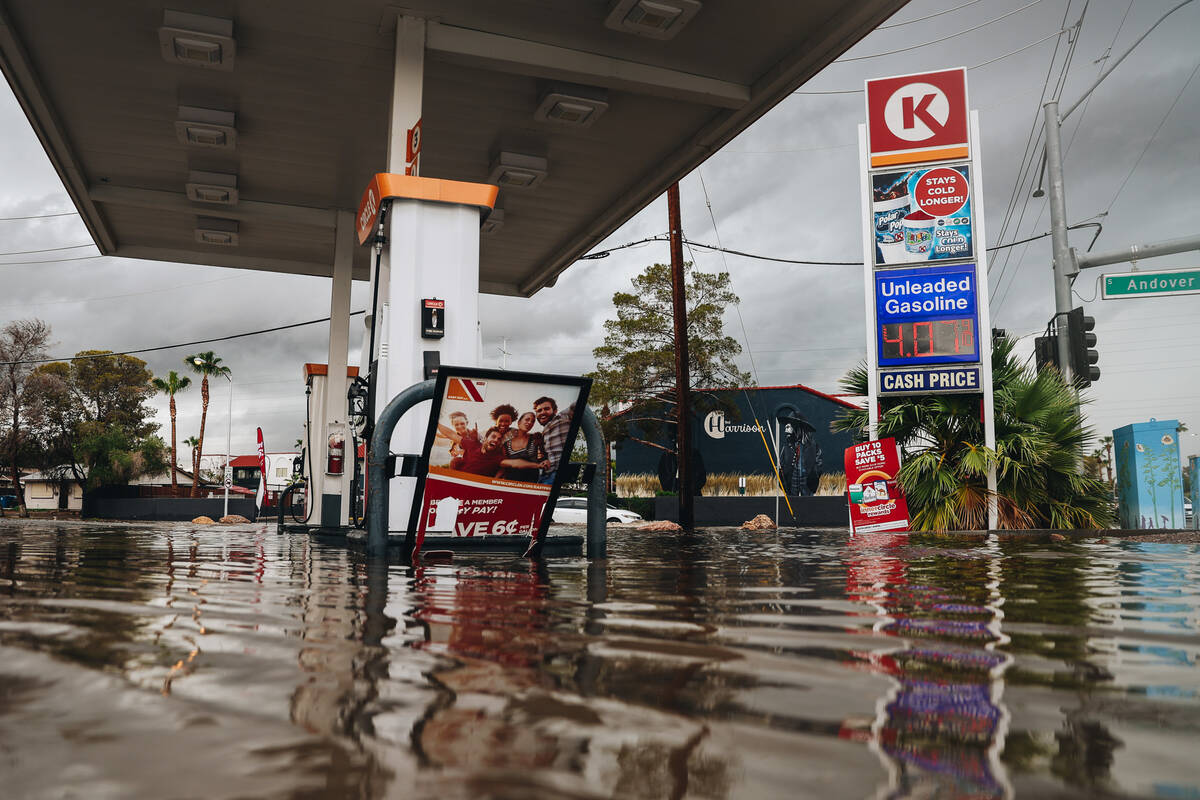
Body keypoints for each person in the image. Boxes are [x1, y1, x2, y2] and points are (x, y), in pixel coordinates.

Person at [534, 396, 572, 485]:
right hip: (544, 475)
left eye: (546, 409)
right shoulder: (544, 432)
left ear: (555, 411)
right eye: (539, 411)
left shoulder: (562, 418)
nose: (542, 412)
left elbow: (576, 405)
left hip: (556, 473)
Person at [501, 411, 547, 482]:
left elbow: (543, 456)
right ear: (519, 422)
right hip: (511, 483)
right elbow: (503, 464)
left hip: (530, 482)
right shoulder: (507, 444)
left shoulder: (536, 438)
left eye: (532, 421)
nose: (530, 423)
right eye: (527, 419)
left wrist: (544, 460)